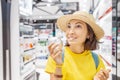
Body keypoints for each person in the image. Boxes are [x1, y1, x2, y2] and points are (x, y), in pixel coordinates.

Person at [45, 11, 111, 80]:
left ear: (89, 34)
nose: (71, 32)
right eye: (69, 26)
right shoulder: (57, 56)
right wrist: (59, 65)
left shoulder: (96, 60)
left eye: (78, 26)